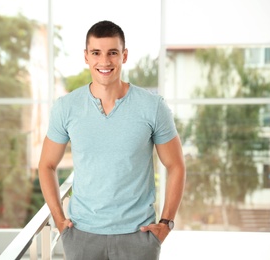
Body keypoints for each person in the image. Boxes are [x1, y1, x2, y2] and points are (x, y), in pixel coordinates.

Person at [38, 20, 186, 260]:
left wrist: (166, 223)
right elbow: (46, 165)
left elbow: (176, 165)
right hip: (81, 235)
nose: (104, 62)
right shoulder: (66, 108)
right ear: (86, 56)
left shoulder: (152, 107)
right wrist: (58, 220)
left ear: (124, 56)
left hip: (138, 236)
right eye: (96, 53)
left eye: (112, 53)